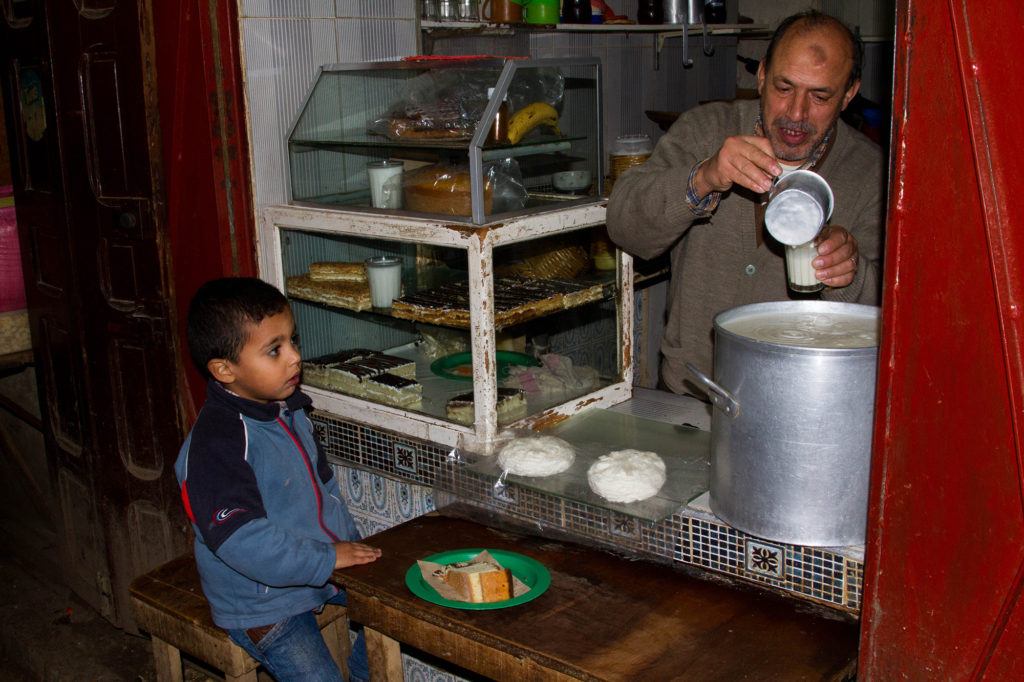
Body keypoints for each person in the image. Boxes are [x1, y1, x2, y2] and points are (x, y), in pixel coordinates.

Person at [607, 10, 885, 393]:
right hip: (693, 392)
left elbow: (888, 318)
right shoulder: (704, 130)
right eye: (783, 88)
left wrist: (849, 273)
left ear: (849, 94)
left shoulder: (873, 173)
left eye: (820, 96)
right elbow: (625, 228)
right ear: (762, 75)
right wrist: (702, 179)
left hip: (803, 398)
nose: (796, 113)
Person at [175, 277, 381, 681]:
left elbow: (327, 489)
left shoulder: (287, 410)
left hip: (314, 568)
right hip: (259, 601)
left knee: (396, 621)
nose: (294, 358)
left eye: (293, 341)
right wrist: (327, 558)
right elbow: (243, 543)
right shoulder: (216, 446)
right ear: (224, 370)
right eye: (275, 350)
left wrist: (346, 546)